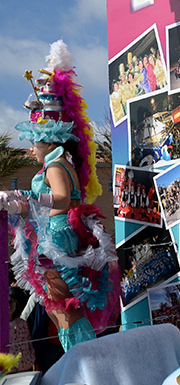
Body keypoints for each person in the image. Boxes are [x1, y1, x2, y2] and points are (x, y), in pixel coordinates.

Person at [1, 41, 120, 351]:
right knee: (57, 306)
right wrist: (20, 199)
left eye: (32, 143)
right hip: (54, 233)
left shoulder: (55, 164)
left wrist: (30, 197)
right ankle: (80, 357)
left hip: (57, 237)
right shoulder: (57, 162)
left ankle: (82, 360)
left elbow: (63, 199)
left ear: (46, 140)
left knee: (62, 306)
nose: (29, 149)